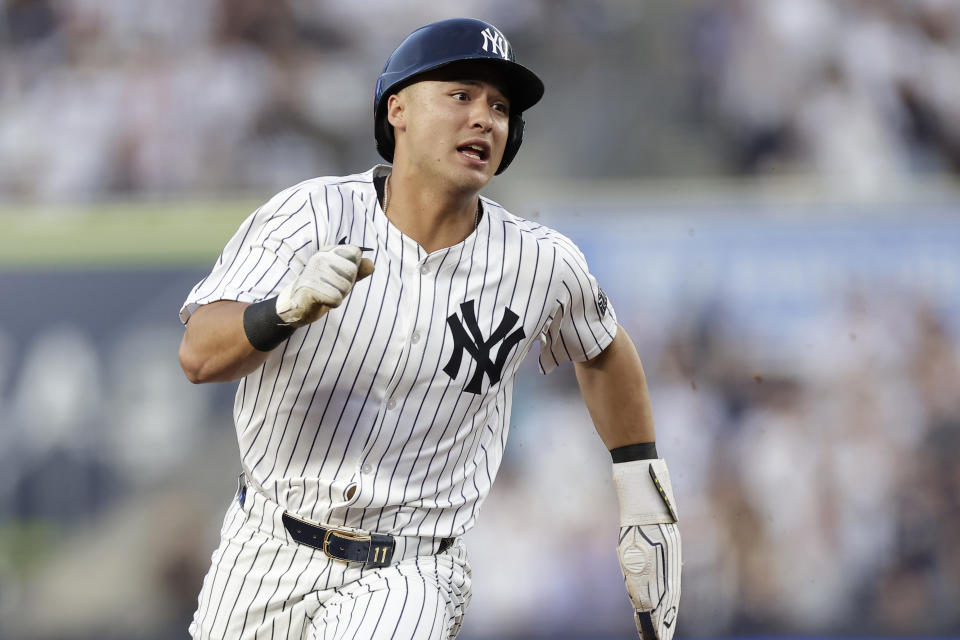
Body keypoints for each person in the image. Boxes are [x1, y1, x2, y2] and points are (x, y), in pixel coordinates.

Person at [178, 17, 680, 640]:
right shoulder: (309, 213)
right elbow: (198, 355)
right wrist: (281, 309)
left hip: (411, 567)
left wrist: (640, 491)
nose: (485, 119)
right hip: (265, 546)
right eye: (461, 95)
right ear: (398, 110)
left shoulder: (540, 263)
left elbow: (603, 349)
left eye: (500, 107)